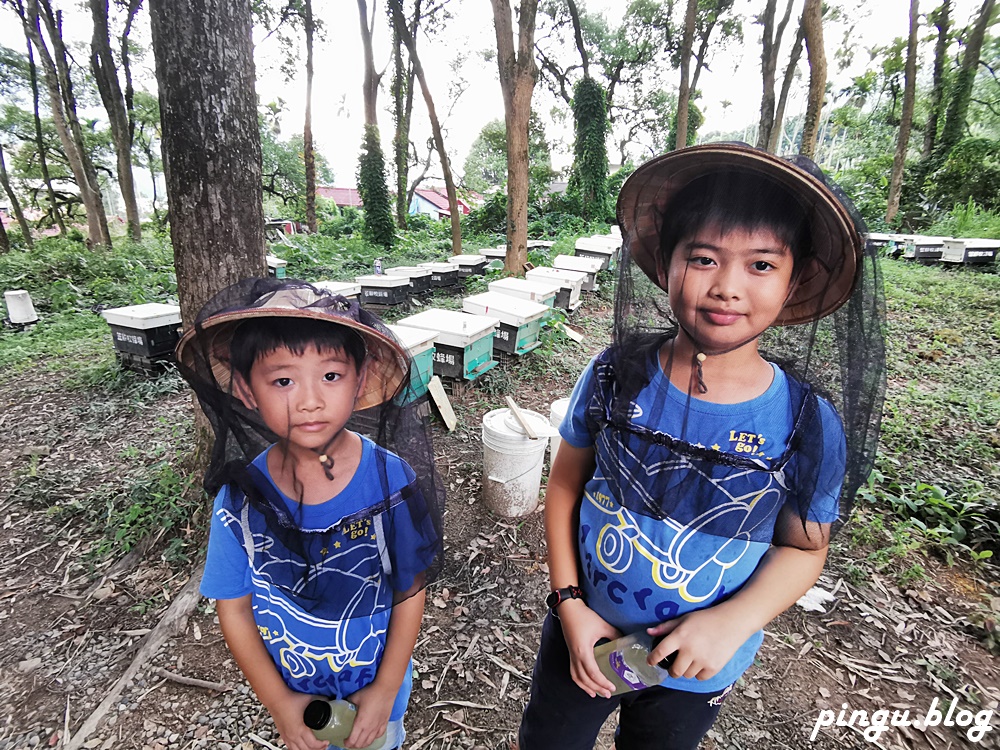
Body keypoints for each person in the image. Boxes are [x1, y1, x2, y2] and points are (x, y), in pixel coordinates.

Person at [519, 143, 885, 750]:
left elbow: (803, 548)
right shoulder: (616, 374)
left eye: (761, 265)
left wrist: (729, 623)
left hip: (691, 669)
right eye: (704, 258)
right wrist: (570, 603)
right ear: (667, 264)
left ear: (797, 280)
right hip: (586, 637)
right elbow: (564, 483)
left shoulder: (806, 422)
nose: (727, 288)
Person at [175, 279, 444, 750]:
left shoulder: (390, 481)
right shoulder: (241, 501)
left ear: (360, 380)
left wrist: (384, 690)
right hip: (299, 699)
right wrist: (279, 703)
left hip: (374, 693)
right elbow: (233, 608)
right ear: (246, 389)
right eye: (283, 380)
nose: (309, 400)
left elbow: (409, 588)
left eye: (331, 376)